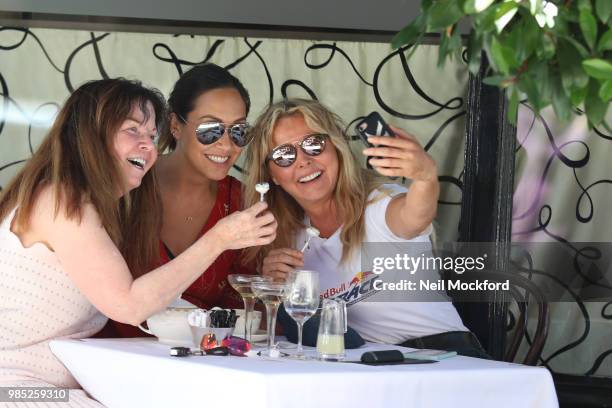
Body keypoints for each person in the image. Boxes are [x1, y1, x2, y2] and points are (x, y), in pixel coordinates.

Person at [0, 78, 276, 405]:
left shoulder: (79, 200)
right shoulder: (63, 200)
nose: (148, 146)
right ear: (91, 134)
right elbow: (129, 305)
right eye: (132, 130)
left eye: (151, 135)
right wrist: (218, 239)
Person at [243, 98, 488, 358]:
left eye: (314, 144)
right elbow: (292, 326)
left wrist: (425, 177)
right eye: (283, 155)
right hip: (371, 362)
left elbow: (416, 216)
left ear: (336, 147)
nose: (302, 160)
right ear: (272, 176)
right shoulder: (287, 236)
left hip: (444, 354)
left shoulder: (379, 203)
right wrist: (273, 286)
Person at [103, 63, 259, 338]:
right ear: (176, 125)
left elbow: (241, 311)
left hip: (198, 365)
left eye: (238, 131)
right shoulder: (126, 185)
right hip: (109, 359)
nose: (226, 144)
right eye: (210, 129)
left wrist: (263, 279)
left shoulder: (243, 202)